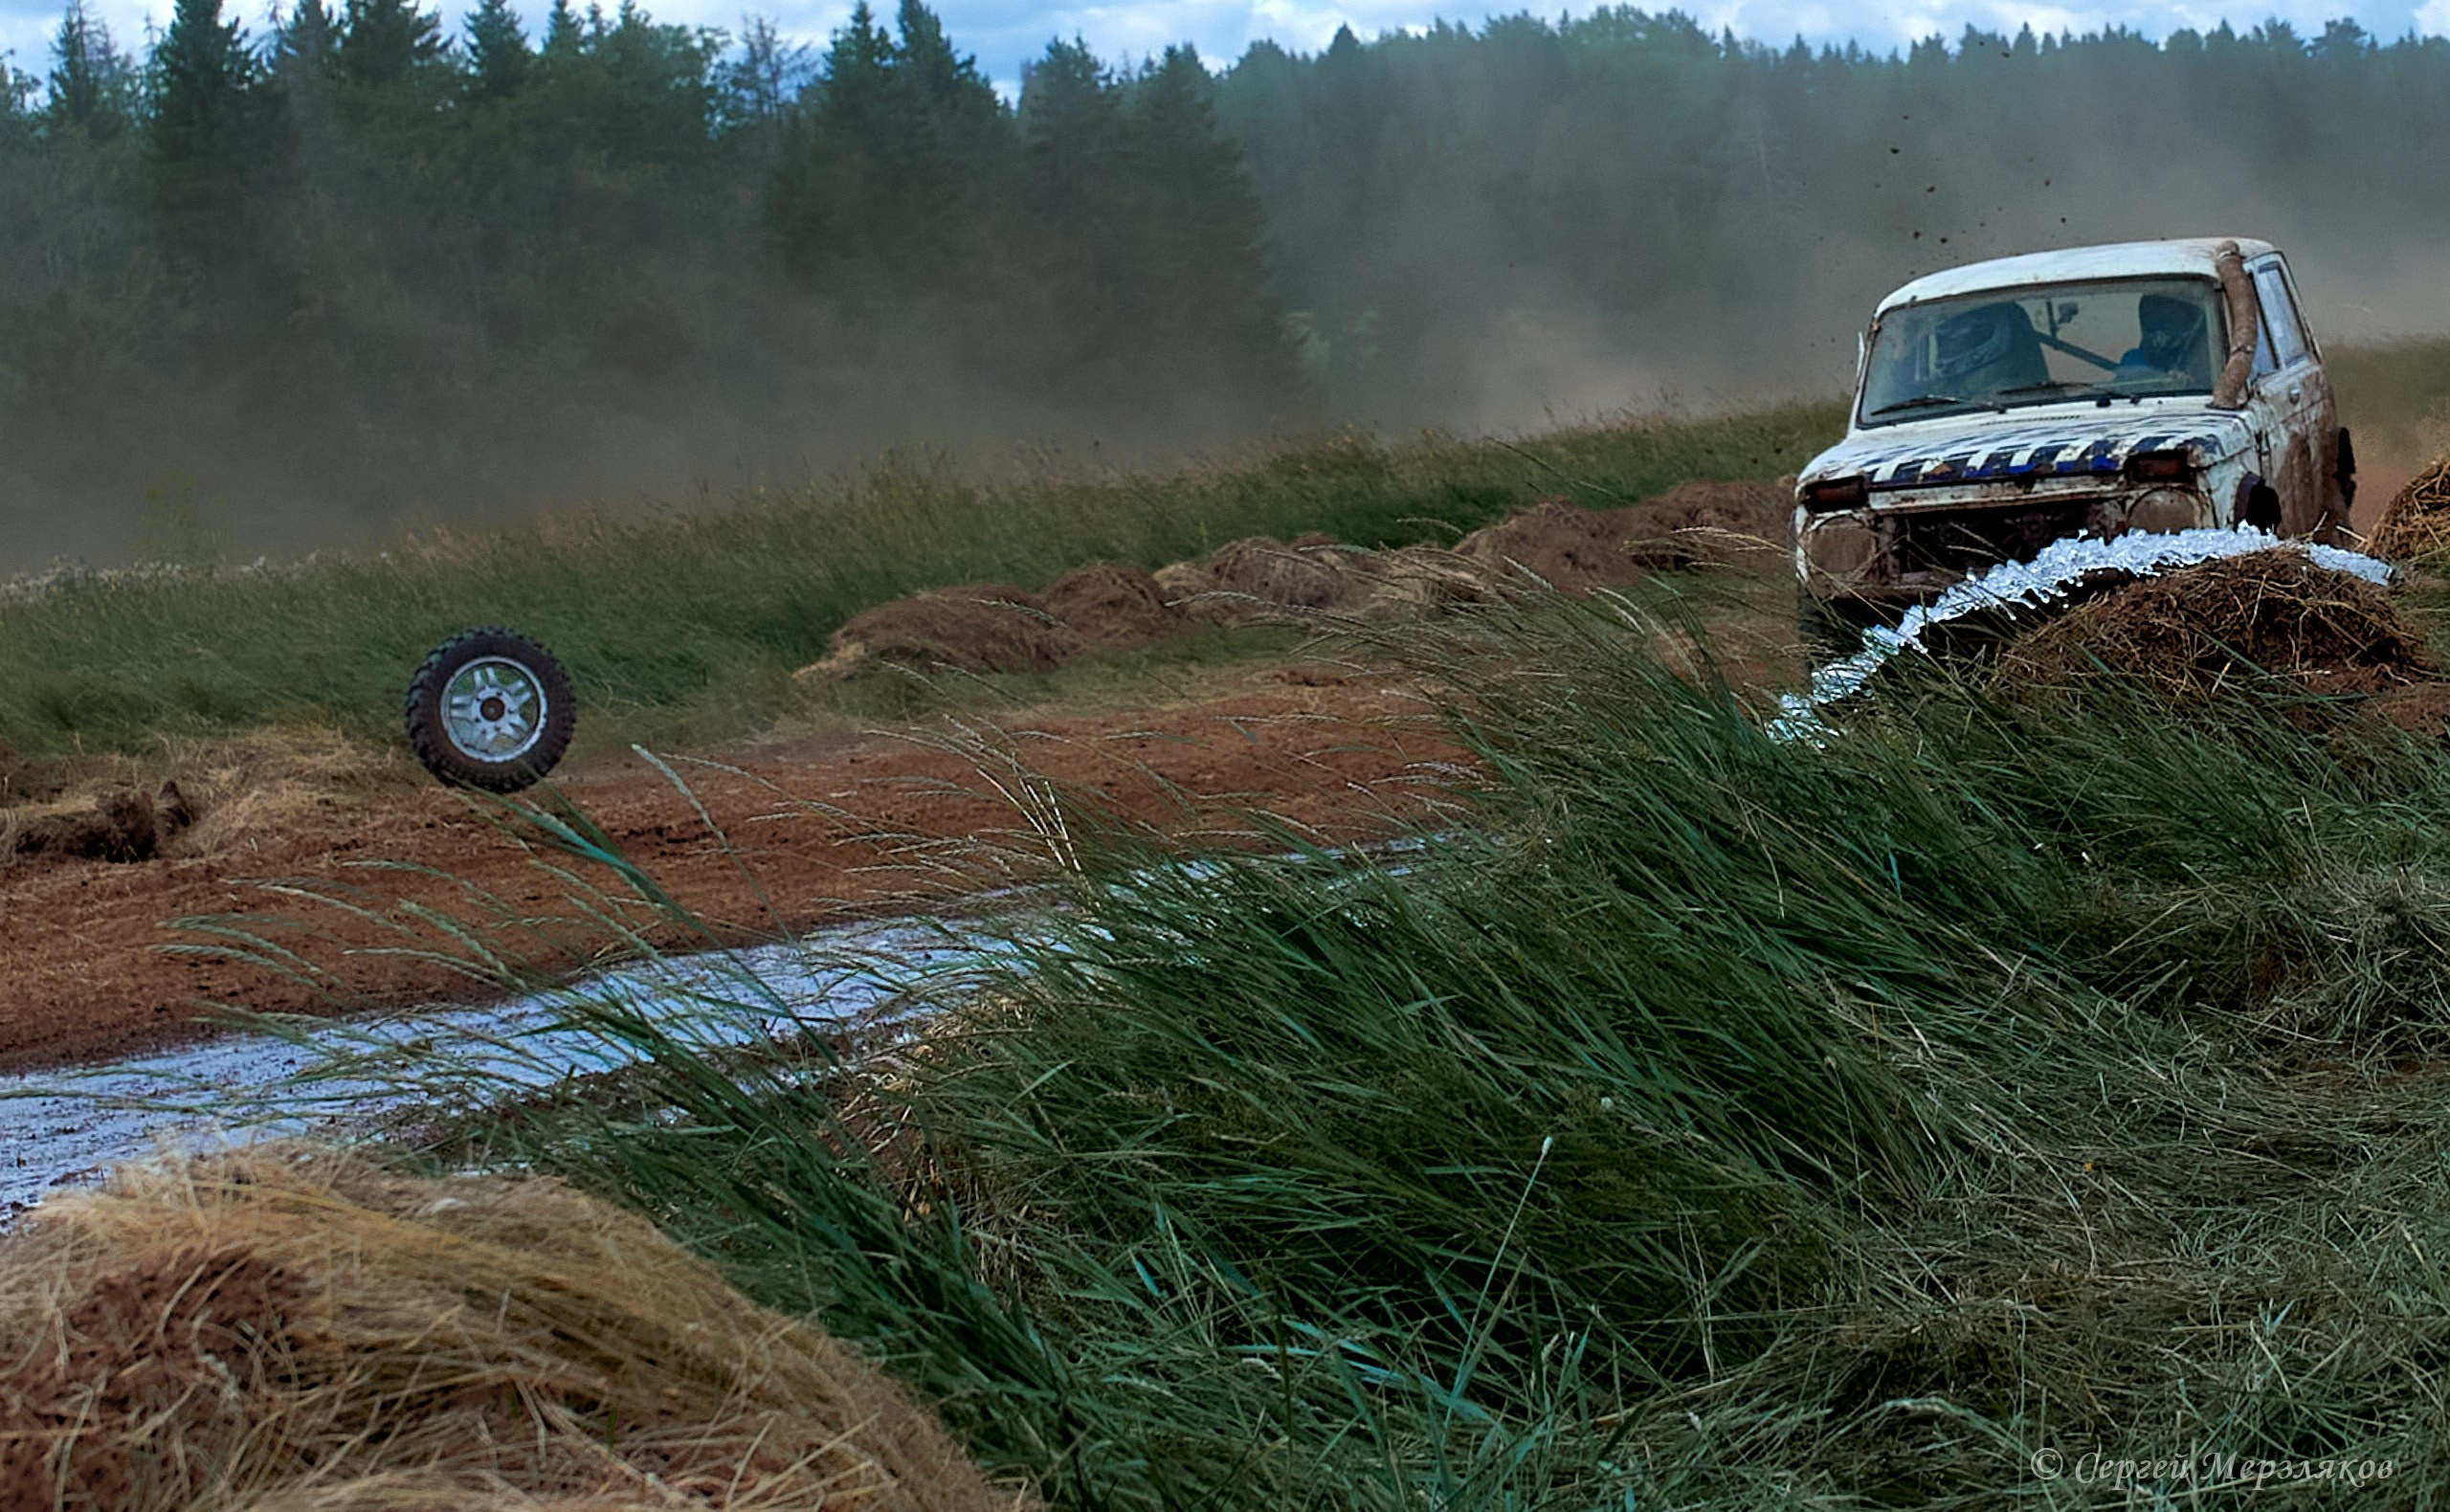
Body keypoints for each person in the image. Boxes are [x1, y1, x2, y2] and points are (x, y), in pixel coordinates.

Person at [2117, 294, 2213, 387]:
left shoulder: (2205, 357)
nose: (2160, 335)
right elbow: (2123, 389)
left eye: (2170, 320)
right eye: (2153, 321)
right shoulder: (2133, 360)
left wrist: (2189, 382)